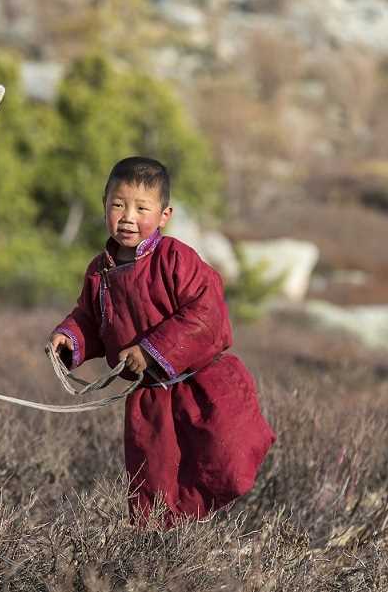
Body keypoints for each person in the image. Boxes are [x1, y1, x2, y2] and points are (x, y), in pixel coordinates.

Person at [49, 156, 275, 525]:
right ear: (104, 203)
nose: (127, 217)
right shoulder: (99, 271)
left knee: (229, 466)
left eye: (142, 208)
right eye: (118, 205)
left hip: (203, 388)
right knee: (153, 497)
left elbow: (207, 313)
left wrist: (152, 350)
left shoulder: (176, 258)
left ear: (164, 214)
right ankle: (164, 561)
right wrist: (69, 338)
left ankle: (205, 533)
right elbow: (92, 318)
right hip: (149, 400)